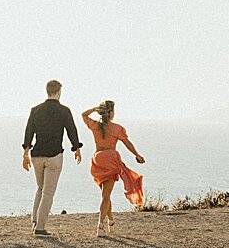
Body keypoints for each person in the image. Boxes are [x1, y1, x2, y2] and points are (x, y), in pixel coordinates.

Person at [22, 79, 82, 236]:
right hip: (54, 155)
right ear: (59, 92)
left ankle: (35, 221)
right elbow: (71, 130)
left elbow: (29, 132)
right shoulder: (64, 111)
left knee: (40, 189)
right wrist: (76, 148)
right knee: (48, 192)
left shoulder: (35, 110)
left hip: (36, 156)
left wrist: (25, 154)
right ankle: (40, 228)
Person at [82, 99, 145, 236]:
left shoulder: (95, 125)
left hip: (98, 159)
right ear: (110, 113)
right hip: (110, 158)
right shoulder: (117, 128)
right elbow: (127, 143)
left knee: (105, 194)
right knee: (106, 195)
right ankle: (100, 226)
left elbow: (83, 115)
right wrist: (137, 155)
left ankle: (110, 220)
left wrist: (94, 109)